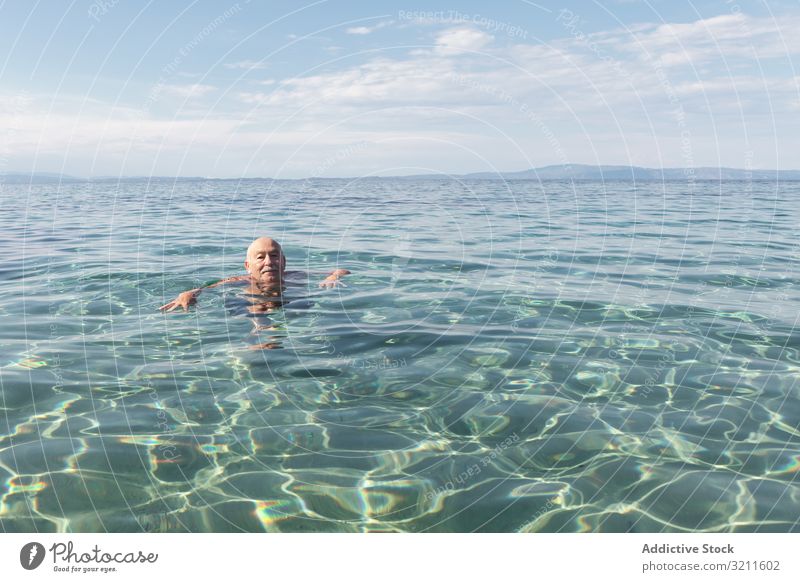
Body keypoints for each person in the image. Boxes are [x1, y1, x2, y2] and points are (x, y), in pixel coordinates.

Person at [159, 237, 350, 312]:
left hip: (289, 302)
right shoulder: (240, 280)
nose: (269, 262)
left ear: (283, 262)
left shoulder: (295, 275)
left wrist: (333, 277)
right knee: (255, 308)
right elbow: (203, 289)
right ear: (248, 266)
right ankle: (259, 330)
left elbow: (341, 270)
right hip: (250, 304)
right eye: (261, 257)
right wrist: (187, 294)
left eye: (274, 256)